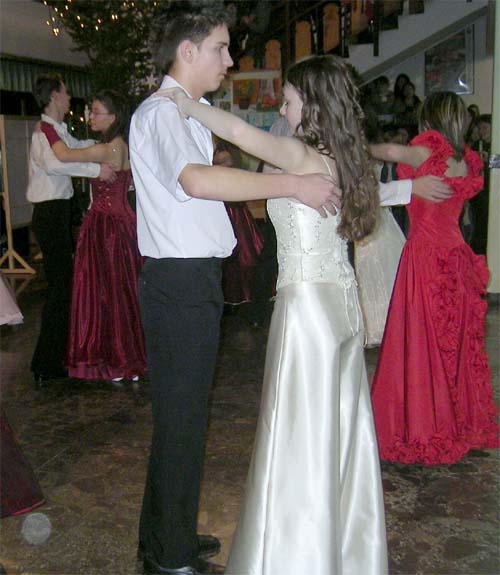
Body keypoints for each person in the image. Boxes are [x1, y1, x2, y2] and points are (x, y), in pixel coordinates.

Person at [128, 3, 338, 574]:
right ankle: (170, 557)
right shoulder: (163, 112)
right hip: (179, 282)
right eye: (220, 48)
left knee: (180, 417)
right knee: (182, 421)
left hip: (188, 279)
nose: (229, 59)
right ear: (188, 50)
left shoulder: (185, 112)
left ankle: (163, 535)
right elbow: (197, 182)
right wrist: (293, 185)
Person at [161, 54, 389, 574]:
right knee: (337, 431)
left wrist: (187, 105)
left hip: (308, 307)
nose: (281, 110)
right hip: (341, 304)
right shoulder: (342, 156)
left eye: (287, 101)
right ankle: (341, 551)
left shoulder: (300, 154)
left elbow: (241, 132)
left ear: (312, 104)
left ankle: (295, 556)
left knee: (298, 433)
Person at [370, 91, 500, 465]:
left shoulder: (426, 153)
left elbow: (387, 151)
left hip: (426, 259)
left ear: (429, 120)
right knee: (453, 345)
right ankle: (457, 421)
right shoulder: (465, 161)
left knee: (423, 343)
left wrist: (350, 144)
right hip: (457, 258)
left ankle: (427, 423)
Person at [40, 90, 146, 382]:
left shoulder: (110, 148)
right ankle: (125, 358)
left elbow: (63, 154)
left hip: (106, 227)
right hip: (118, 224)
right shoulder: (116, 145)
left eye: (97, 112)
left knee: (109, 294)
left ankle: (118, 361)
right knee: (120, 293)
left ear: (113, 117)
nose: (91, 116)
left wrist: (46, 127)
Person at [27, 73, 115, 386]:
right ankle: (45, 363)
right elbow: (55, 164)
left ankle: (53, 360)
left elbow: (78, 146)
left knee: (64, 287)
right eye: (65, 93)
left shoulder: (56, 130)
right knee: (61, 288)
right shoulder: (44, 131)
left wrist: (104, 144)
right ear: (54, 96)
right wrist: (95, 169)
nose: (69, 98)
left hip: (58, 211)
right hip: (49, 213)